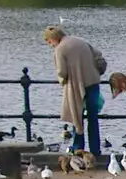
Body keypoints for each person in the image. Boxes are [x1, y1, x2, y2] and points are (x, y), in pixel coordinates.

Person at [44, 26, 104, 156]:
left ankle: (78, 148)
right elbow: (98, 54)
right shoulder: (81, 41)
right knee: (93, 118)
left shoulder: (60, 49)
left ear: (53, 39)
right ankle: (95, 150)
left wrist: (62, 81)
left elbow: (62, 71)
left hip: (76, 85)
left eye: (49, 42)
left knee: (76, 116)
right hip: (93, 82)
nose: (50, 45)